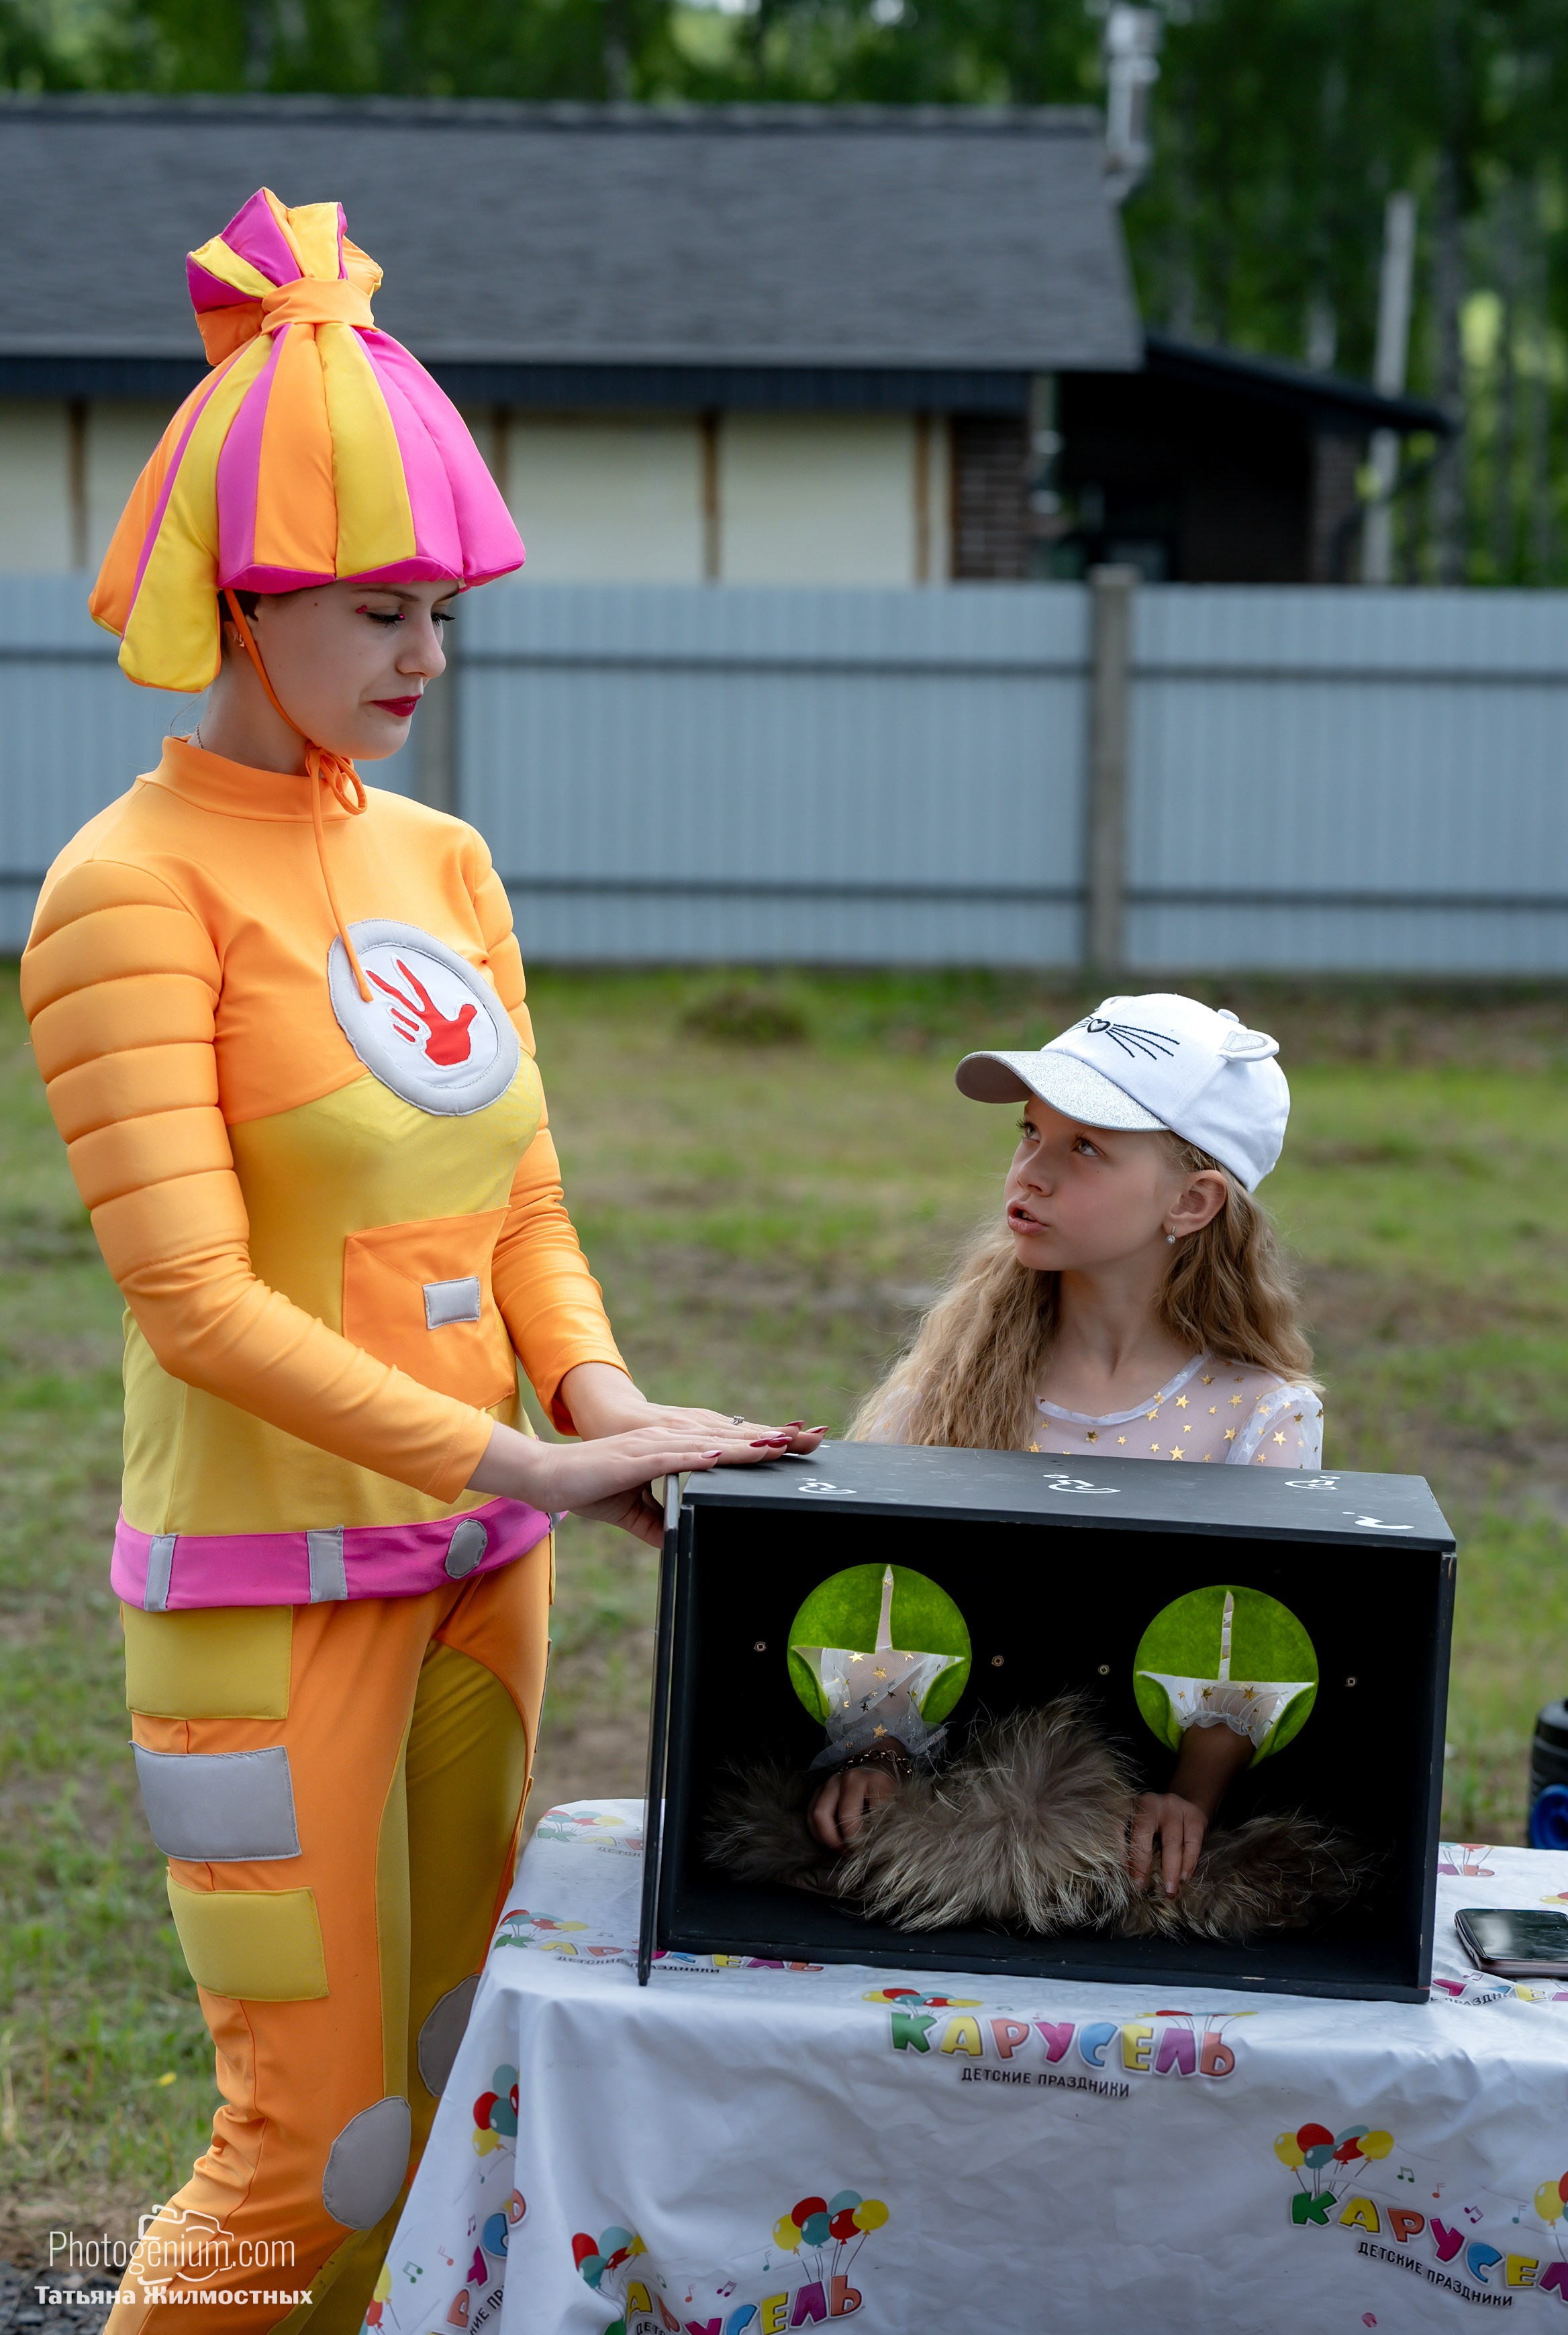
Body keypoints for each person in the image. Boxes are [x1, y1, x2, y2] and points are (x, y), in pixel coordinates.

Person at [20, 188, 819, 2335]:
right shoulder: (122, 890)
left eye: (443, 613)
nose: (422, 662)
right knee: (309, 2143)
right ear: (239, 599)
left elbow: (522, 1203)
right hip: (267, 1609)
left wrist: (605, 1409)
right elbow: (193, 1303)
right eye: (381, 611)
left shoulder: (442, 860)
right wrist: (527, 1467)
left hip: (482, 1580)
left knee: (456, 2093)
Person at [811, 992, 1322, 1898]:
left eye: (1085, 1147)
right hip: (946, 1814)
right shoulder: (948, 1378)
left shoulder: (1259, 1418)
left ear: (1194, 1200)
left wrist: (1189, 1796)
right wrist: (879, 1748)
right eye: (1029, 1133)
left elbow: (1248, 1642)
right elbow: (880, 1581)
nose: (1030, 1174)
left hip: (1122, 1838)